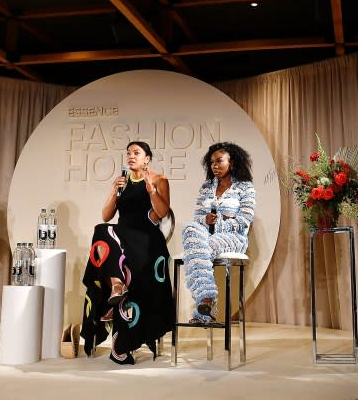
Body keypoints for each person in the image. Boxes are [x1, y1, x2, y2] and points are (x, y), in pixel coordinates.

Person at [82, 141, 174, 365]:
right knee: (102, 229)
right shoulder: (122, 182)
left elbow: (163, 212)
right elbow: (106, 216)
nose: (131, 157)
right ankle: (117, 284)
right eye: (128, 153)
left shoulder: (159, 180)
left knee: (107, 237)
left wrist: (151, 189)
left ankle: (115, 298)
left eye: (136, 153)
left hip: (147, 240)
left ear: (147, 158)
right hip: (123, 239)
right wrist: (114, 191)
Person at [181, 142, 256, 323]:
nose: (215, 165)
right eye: (212, 162)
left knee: (199, 248)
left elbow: (244, 220)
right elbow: (198, 216)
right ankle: (207, 300)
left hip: (235, 238)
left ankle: (205, 303)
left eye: (219, 161)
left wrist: (220, 225)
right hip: (207, 234)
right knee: (190, 228)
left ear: (232, 162)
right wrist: (204, 220)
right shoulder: (206, 187)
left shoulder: (245, 187)